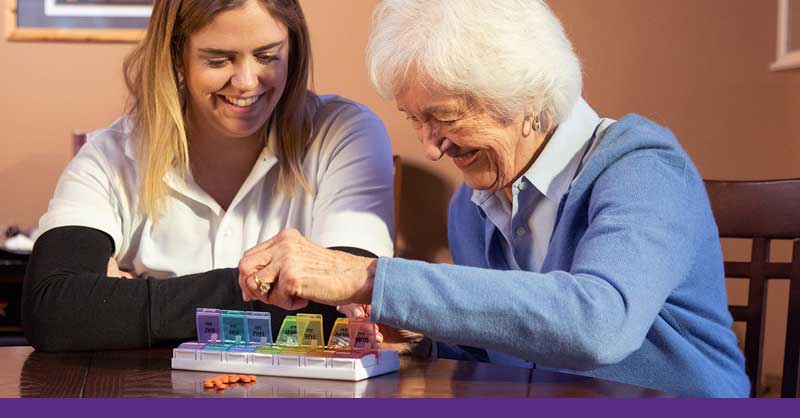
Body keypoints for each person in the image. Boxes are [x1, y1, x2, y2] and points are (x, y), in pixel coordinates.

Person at [237, 0, 750, 397]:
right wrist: (415, 335)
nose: (430, 146)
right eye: (415, 119)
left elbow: (599, 324)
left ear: (525, 95)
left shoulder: (643, 168)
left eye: (444, 116)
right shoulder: (473, 204)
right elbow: (498, 344)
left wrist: (368, 277)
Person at [22, 0, 394, 352]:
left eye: (267, 56)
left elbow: (348, 303)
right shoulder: (108, 156)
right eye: (219, 60)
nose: (247, 82)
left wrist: (140, 299)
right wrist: (270, 288)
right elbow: (54, 311)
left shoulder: (346, 133)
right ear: (177, 60)